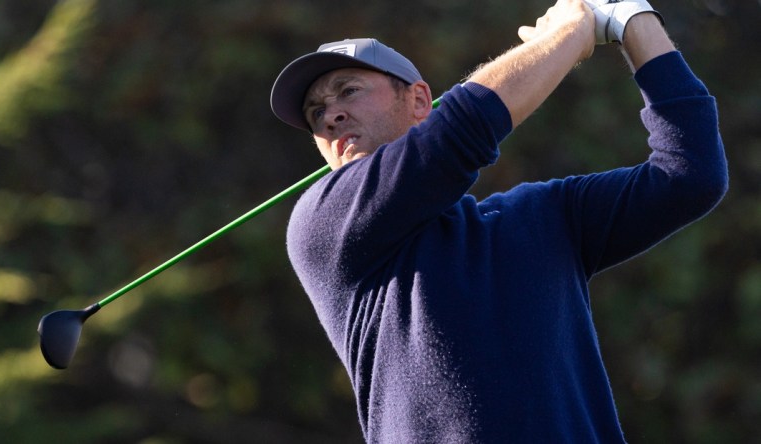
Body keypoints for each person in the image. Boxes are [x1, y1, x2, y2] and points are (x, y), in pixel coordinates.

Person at [269, 0, 728, 442]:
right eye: (316, 113)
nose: (331, 116)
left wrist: (631, 17)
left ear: (419, 100)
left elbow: (691, 174)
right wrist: (573, 30)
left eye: (348, 91)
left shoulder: (544, 215)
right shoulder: (320, 221)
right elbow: (460, 133)